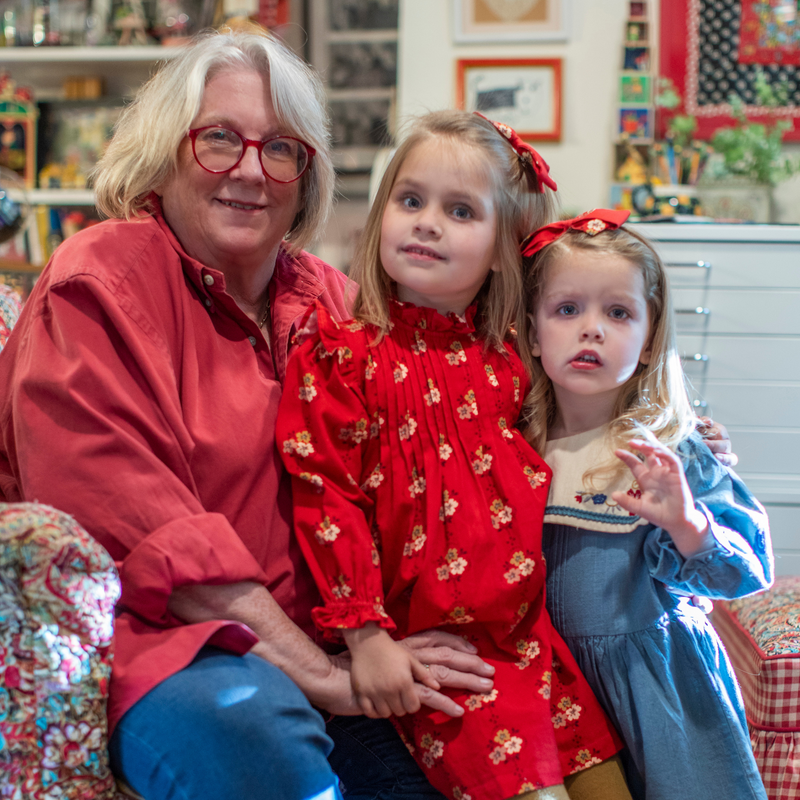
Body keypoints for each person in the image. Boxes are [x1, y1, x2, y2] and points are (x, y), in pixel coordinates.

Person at [0, 31, 500, 800]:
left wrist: (616, 425)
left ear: (306, 177)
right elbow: (142, 527)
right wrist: (324, 678)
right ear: (165, 153)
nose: (248, 171)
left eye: (280, 150)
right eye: (220, 140)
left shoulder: (331, 297)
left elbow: (434, 429)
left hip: (334, 634)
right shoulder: (97, 282)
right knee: (260, 740)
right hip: (167, 643)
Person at [277, 111, 634, 800]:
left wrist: (679, 430)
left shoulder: (512, 359)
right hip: (447, 661)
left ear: (504, 247)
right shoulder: (340, 357)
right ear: (382, 214)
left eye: (459, 210)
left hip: (534, 642)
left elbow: (601, 398)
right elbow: (326, 501)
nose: (427, 222)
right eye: (411, 201)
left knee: (613, 788)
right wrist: (365, 639)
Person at [517, 209, 773, 800]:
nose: (592, 330)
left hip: (660, 690)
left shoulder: (673, 449)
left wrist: (687, 523)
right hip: (552, 691)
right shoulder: (512, 446)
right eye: (567, 309)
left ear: (650, 336)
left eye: (618, 313)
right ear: (532, 332)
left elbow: (745, 571)